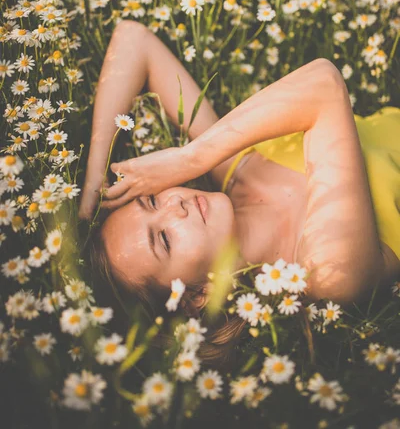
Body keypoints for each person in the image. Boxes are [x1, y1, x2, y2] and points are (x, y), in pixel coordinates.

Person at [79, 20, 400, 365]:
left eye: (152, 199)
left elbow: (133, 39)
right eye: (165, 239)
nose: (176, 205)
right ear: (195, 297)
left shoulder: (237, 172)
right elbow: (325, 85)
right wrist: (192, 157)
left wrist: (94, 181)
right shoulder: (326, 273)